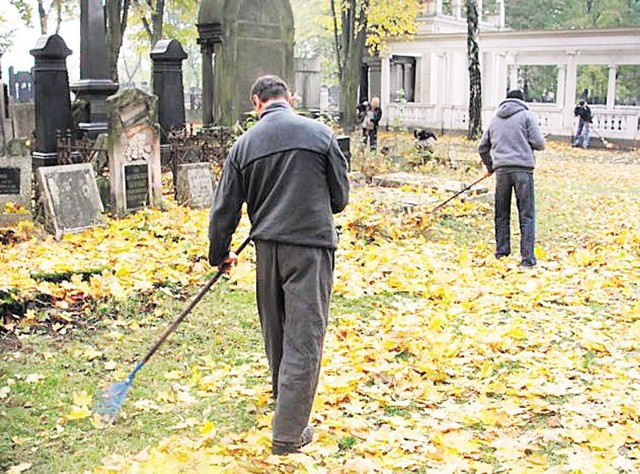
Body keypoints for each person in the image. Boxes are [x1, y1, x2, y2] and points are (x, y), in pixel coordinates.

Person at [208, 75, 350, 455]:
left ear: (257, 102)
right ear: (290, 98)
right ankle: (288, 433)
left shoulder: (243, 146)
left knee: (277, 330)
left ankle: (282, 398)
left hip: (267, 249)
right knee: (304, 336)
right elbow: (340, 199)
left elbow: (223, 209)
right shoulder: (320, 135)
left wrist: (219, 253)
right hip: (309, 247)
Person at [477, 89, 546, 267]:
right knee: (526, 214)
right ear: (522, 101)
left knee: (501, 214)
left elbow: (482, 147)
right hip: (523, 171)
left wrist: (491, 166)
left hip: (502, 172)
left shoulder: (495, 119)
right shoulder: (527, 116)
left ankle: (502, 253)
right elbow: (539, 143)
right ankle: (527, 259)